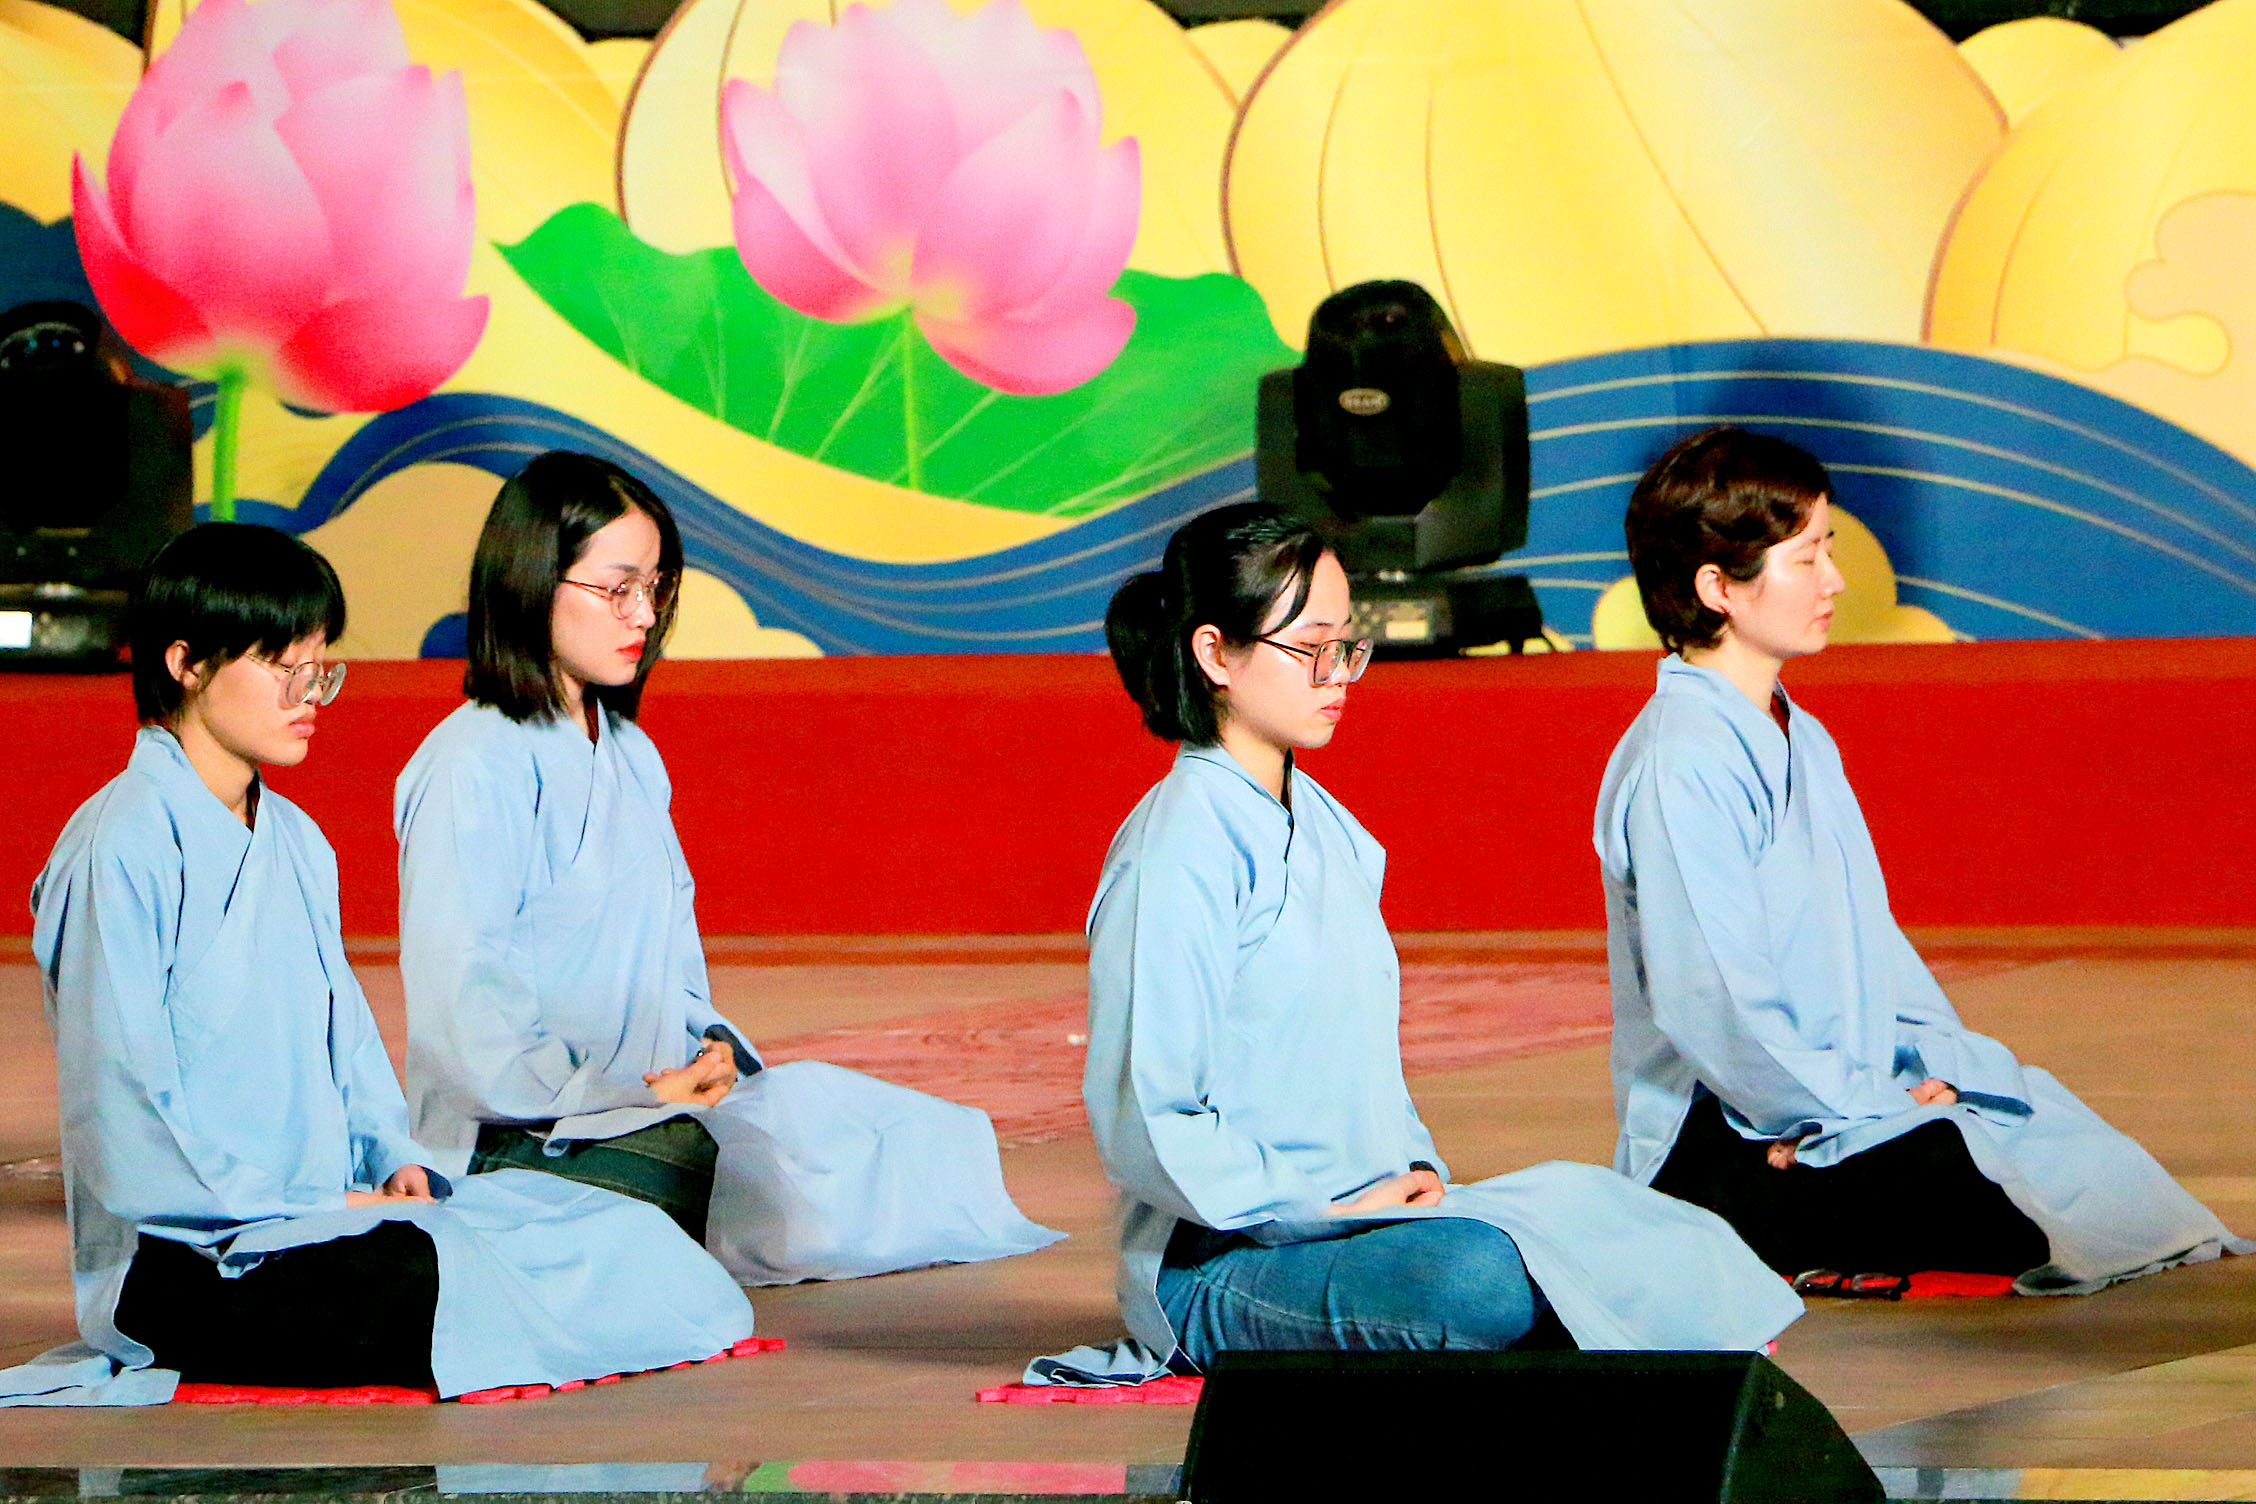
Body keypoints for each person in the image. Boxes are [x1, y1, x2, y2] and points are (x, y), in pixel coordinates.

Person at [1031, 502, 1799, 1386]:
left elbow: (1366, 1073)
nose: (1337, 674)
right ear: (1215, 654)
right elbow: (1149, 1118)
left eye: (1345, 645)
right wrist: (1321, 1209)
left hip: (1361, 1223)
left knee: (1628, 1215)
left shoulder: (1330, 827)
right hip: (1226, 1260)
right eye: (1309, 648)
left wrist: (1416, 1169)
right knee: (1477, 1280)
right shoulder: (1177, 848)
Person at [2, 524, 754, 1407]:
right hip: (194, 1255)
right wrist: (309, 1206)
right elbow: (122, 1109)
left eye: (320, 668)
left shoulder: (297, 840)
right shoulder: (118, 848)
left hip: (327, 1219)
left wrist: (394, 1158)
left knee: (616, 1231)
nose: (309, 695)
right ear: (187, 664)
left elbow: (350, 1046)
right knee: (428, 1275)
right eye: (282, 667)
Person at [1595, 426, 2246, 1291]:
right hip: (1738, 1127)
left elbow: (1871, 951)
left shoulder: (1800, 734)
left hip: (1833, 1095)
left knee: (2034, 1119)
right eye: (1806, 559)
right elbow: (1711, 1002)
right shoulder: (1683, 758)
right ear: (1718, 587)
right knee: (1970, 1182)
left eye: (1828, 550)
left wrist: (1935, 1070)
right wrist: (1846, 1109)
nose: (1834, 581)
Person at [395, 451, 1059, 1285]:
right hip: (525, 1130)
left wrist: (711, 1052)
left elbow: (674, 968)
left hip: (645, 1101)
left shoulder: (631, 753)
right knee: (730, 1173)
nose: (643, 615)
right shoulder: (469, 765)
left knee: (890, 1129)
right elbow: (467, 1019)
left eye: (655, 589)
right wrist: (631, 1096)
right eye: (617, 589)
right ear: (531, 581)